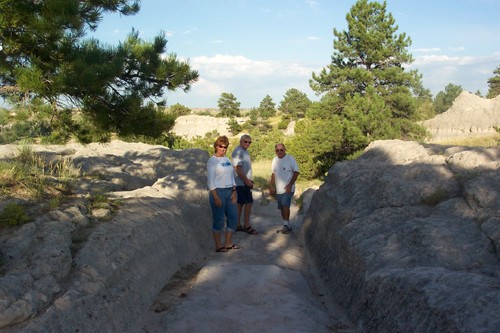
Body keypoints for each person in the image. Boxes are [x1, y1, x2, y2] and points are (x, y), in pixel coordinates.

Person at [207, 135, 241, 252]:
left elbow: (231, 177)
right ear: (216, 146)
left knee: (233, 217)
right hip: (218, 192)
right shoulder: (212, 161)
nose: (223, 149)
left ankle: (228, 243)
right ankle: (218, 245)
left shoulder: (226, 160)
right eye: (221, 146)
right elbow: (210, 181)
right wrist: (216, 197)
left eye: (225, 147)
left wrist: (234, 190)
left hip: (229, 191)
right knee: (219, 220)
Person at [269, 143, 299, 234]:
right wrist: (271, 186)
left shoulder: (290, 159)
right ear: (275, 151)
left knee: (285, 205)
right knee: (282, 207)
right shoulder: (275, 160)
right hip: (279, 189)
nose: (279, 152)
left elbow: (296, 172)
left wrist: (290, 185)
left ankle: (286, 225)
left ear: (285, 150)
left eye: (281, 150)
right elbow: (273, 174)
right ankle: (287, 224)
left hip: (288, 188)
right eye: (277, 150)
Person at [232, 134, 258, 235]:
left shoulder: (244, 151)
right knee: (248, 203)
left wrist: (249, 180)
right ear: (240, 141)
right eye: (245, 141)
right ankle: (247, 226)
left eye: (249, 142)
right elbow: (237, 168)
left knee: (240, 204)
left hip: (243, 182)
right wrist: (247, 182)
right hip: (241, 183)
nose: (247, 143)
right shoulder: (238, 152)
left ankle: (237, 225)